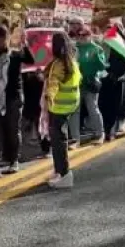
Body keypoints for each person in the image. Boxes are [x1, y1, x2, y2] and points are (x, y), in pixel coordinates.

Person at [0, 24, 27, 180]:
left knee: (13, 131)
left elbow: (33, 60)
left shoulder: (15, 55)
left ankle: (13, 161)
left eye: (2, 39)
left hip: (13, 98)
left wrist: (24, 43)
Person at [45, 31, 81, 189]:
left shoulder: (58, 63)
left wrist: (48, 97)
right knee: (60, 139)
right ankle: (60, 171)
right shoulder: (72, 61)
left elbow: (53, 83)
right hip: (70, 105)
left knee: (58, 141)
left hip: (58, 106)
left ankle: (64, 173)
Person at [69, 24, 107, 145]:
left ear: (90, 35)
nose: (81, 37)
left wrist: (96, 58)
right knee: (74, 111)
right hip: (76, 83)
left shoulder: (96, 48)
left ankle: (100, 134)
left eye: (84, 34)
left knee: (93, 109)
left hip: (91, 82)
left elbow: (102, 66)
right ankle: (75, 139)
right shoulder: (74, 48)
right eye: (79, 35)